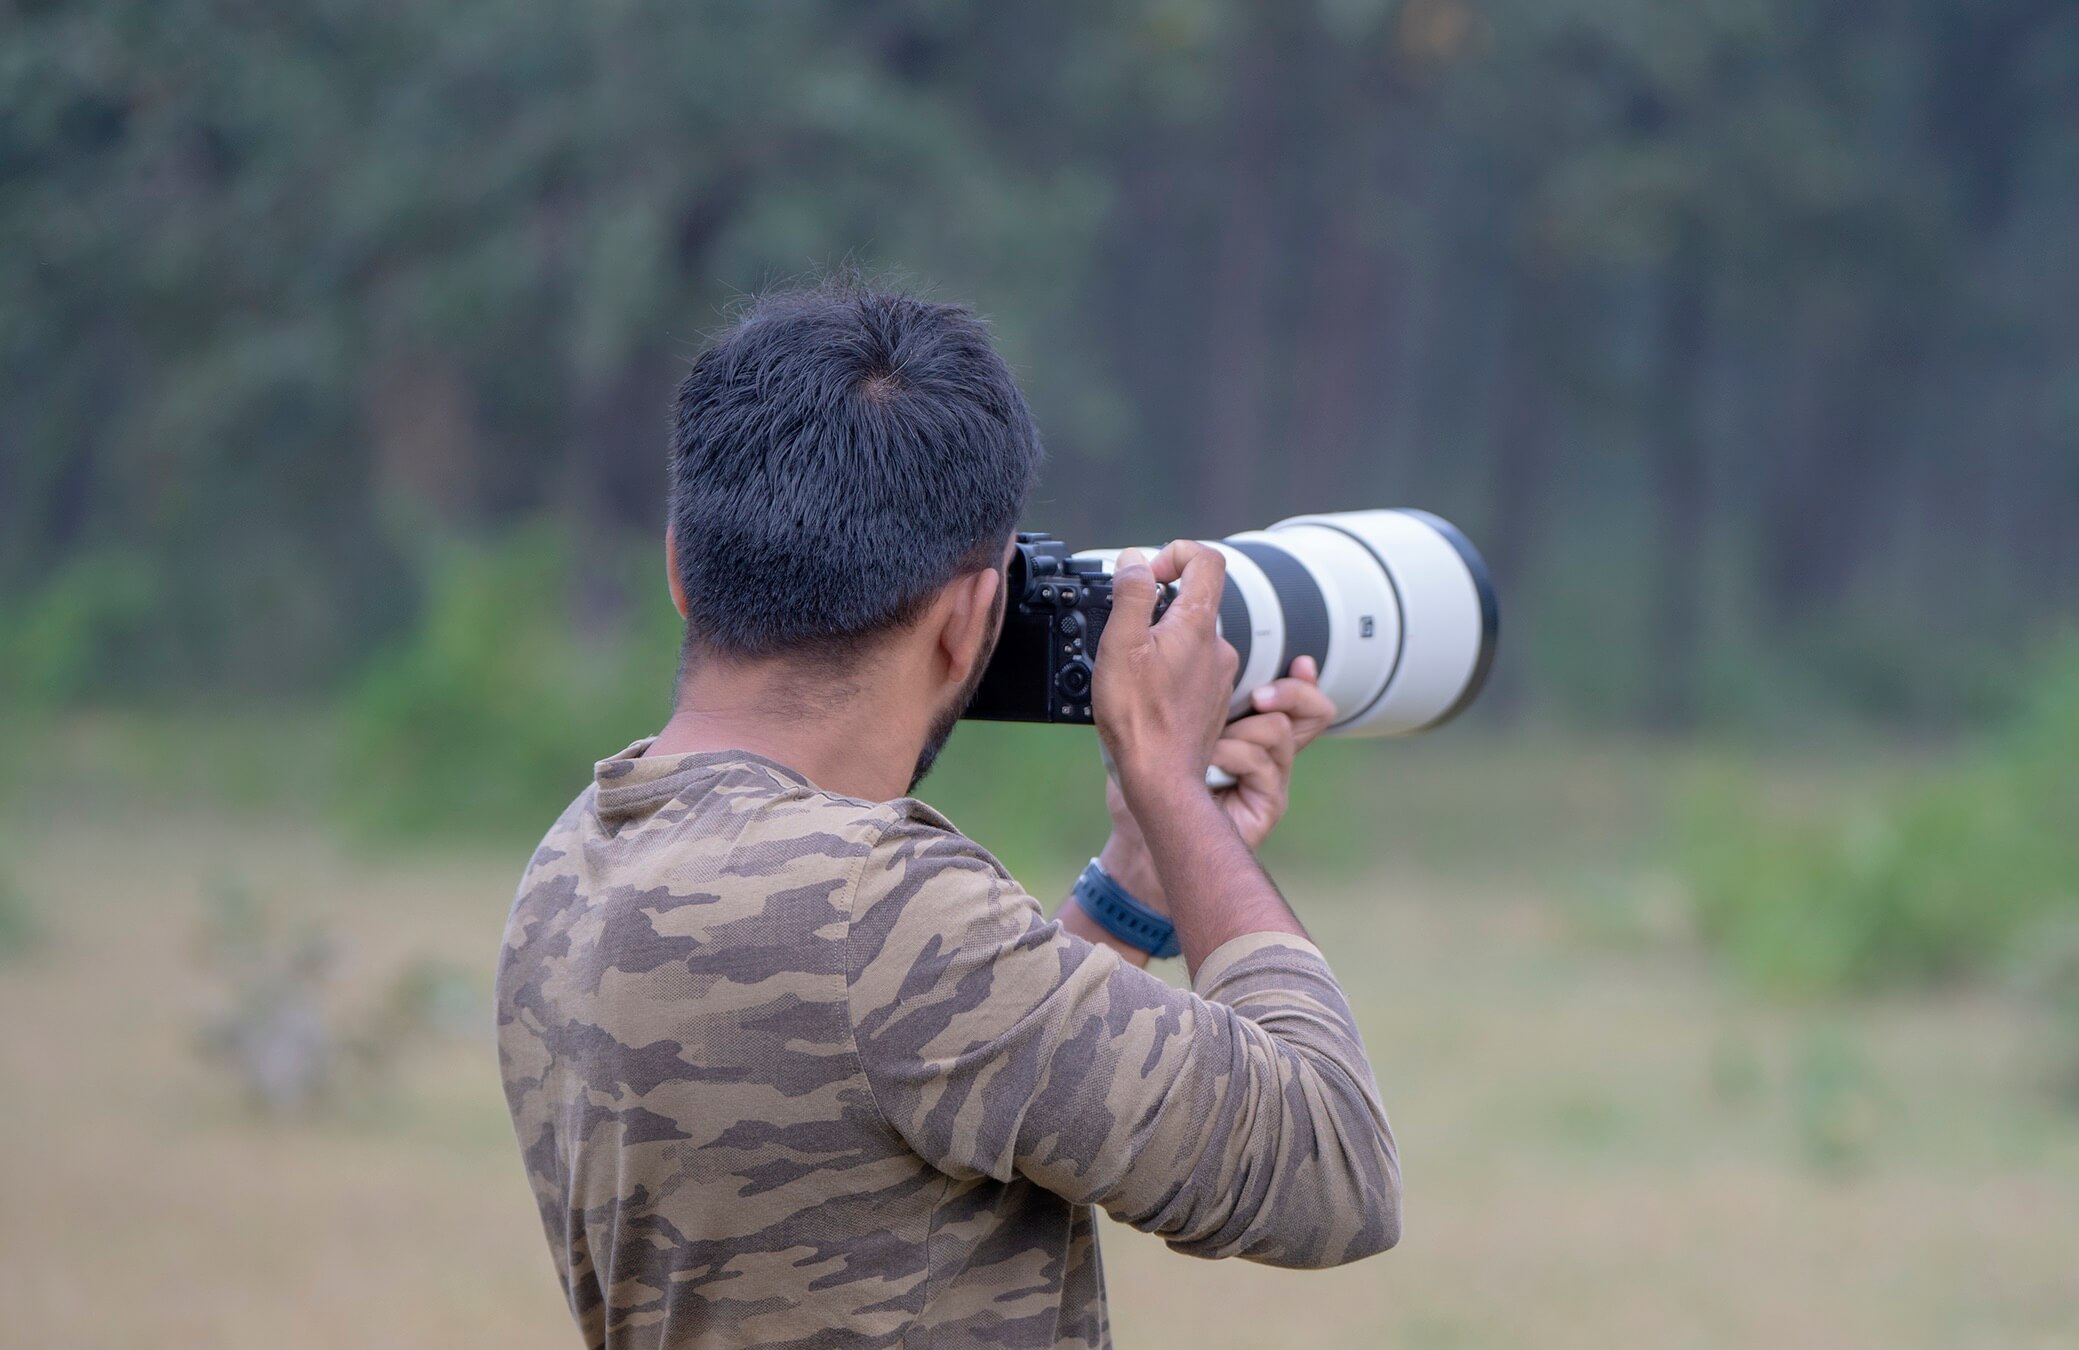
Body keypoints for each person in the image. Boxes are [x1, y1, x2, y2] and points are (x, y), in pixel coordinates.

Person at [495, 281, 1402, 1349]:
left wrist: (1140, 877)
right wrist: (1165, 780)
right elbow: (1332, 1167)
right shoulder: (879, 910)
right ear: (971, 620)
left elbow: (903, 1076)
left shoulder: (576, 862)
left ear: (680, 570)